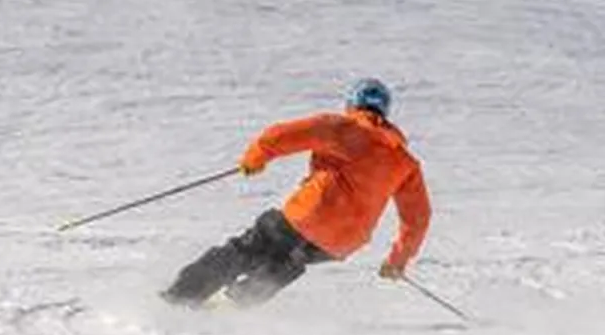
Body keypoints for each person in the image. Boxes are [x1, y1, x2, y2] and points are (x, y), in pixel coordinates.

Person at [163, 79, 431, 309]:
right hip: (342, 242)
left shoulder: (344, 128)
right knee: (290, 261)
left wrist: (255, 158)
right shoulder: (405, 162)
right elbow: (418, 217)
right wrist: (398, 260)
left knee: (250, 248)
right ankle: (237, 303)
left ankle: (180, 296)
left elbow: (280, 135)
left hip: (308, 215)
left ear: (352, 104)